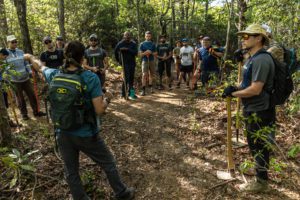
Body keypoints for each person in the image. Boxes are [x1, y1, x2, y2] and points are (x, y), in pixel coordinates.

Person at [33, 41, 135, 200]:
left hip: (62, 132)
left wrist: (28, 57)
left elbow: (40, 67)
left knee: (71, 171)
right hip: (86, 133)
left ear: (64, 56)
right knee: (108, 162)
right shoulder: (90, 77)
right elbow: (99, 110)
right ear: (83, 58)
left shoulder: (55, 74)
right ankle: (122, 193)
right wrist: (108, 98)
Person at [222, 24, 275, 193]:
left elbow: (255, 89)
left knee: (259, 145)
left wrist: (234, 95)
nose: (243, 40)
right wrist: (235, 88)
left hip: (261, 111)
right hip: (252, 108)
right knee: (254, 144)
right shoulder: (252, 58)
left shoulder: (262, 59)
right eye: (243, 36)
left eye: (247, 36)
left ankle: (261, 182)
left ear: (259, 38)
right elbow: (247, 84)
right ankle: (260, 176)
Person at [5, 35, 45, 120]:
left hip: (25, 78)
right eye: (13, 42)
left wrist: (30, 72)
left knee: (32, 95)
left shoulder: (20, 51)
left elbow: (26, 63)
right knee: (20, 98)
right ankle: (24, 115)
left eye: (16, 41)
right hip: (15, 80)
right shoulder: (6, 54)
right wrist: (7, 78)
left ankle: (36, 112)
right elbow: (5, 67)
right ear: (8, 43)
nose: (15, 43)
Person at [114, 32, 138, 100]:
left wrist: (127, 49)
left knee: (131, 79)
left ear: (130, 36)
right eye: (125, 35)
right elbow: (115, 51)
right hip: (124, 63)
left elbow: (136, 53)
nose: (127, 37)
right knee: (126, 78)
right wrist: (119, 61)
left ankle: (132, 94)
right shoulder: (120, 43)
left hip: (132, 63)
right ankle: (123, 94)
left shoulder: (133, 44)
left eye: (128, 35)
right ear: (123, 36)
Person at [0, 47, 17, 127]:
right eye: (4, 56)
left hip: (3, 85)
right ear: (1, 54)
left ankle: (8, 120)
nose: (5, 58)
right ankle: (6, 122)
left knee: (5, 104)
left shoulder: (2, 63)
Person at [139, 31, 157, 96]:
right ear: (145, 36)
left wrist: (151, 52)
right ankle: (143, 90)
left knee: (151, 74)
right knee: (144, 74)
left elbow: (155, 53)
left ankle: (151, 87)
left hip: (151, 60)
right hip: (144, 60)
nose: (148, 37)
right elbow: (140, 54)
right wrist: (145, 52)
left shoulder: (153, 44)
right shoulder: (142, 44)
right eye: (147, 36)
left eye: (149, 36)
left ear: (151, 36)